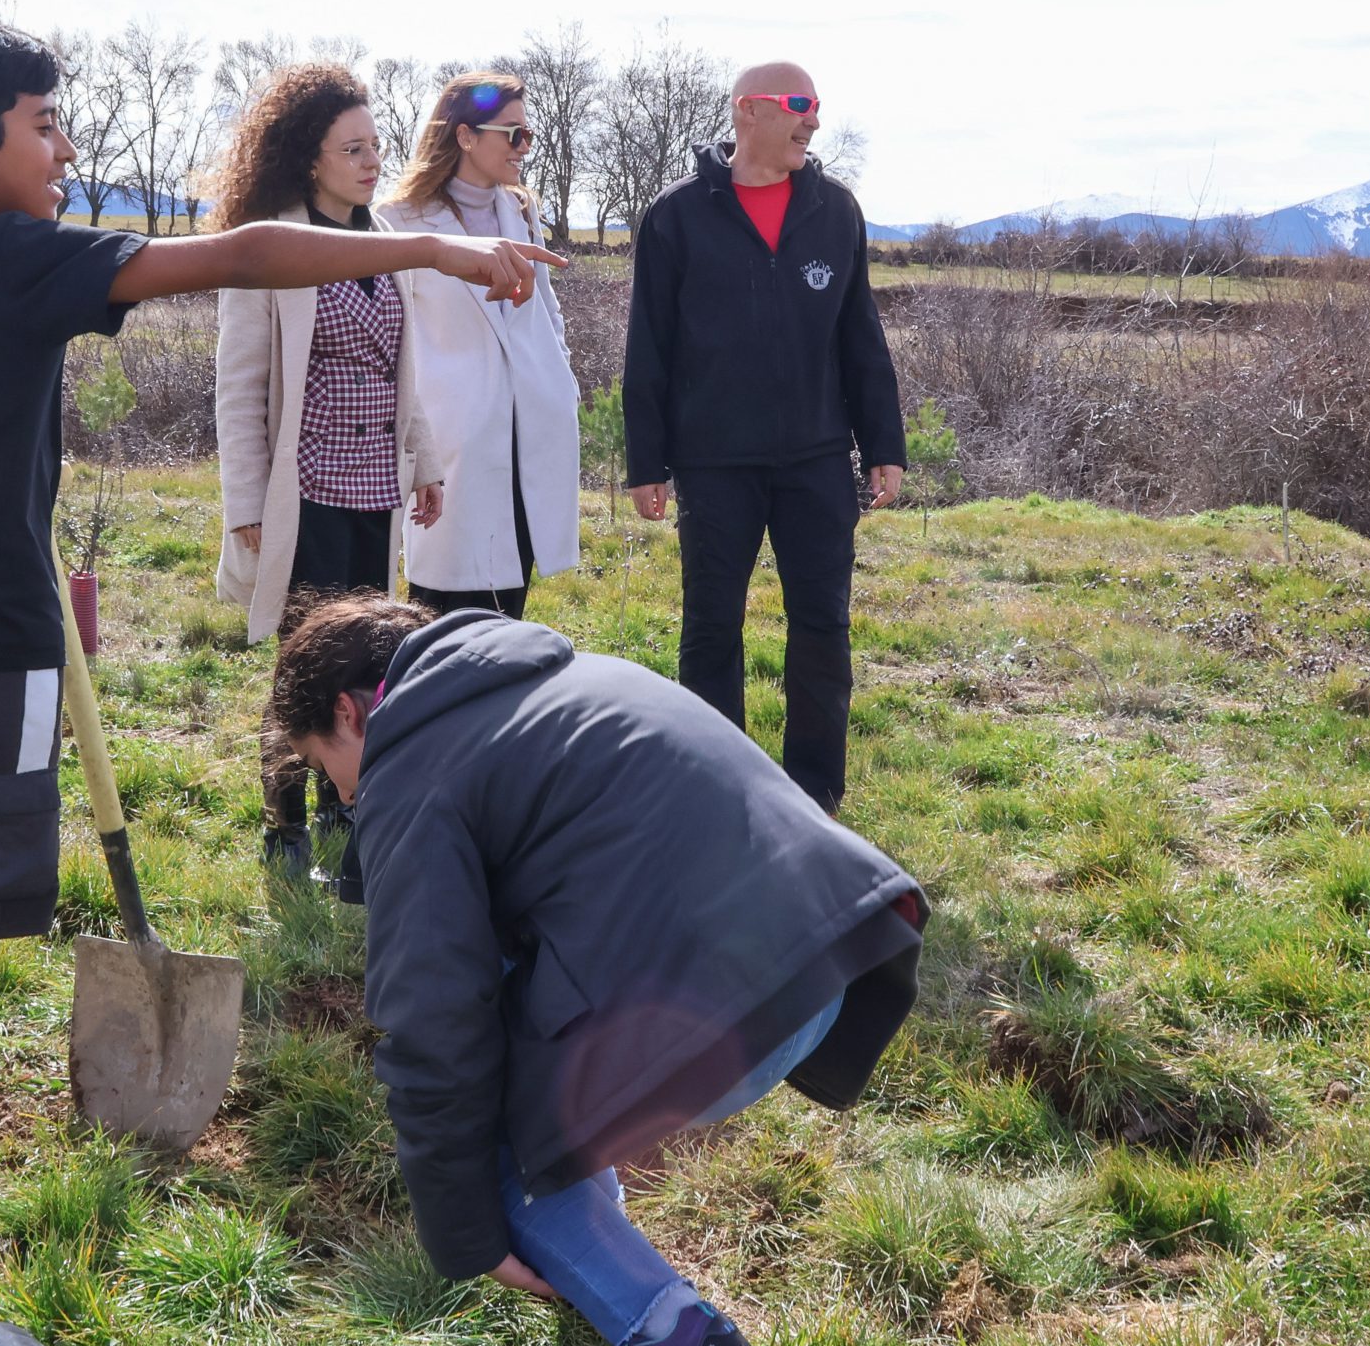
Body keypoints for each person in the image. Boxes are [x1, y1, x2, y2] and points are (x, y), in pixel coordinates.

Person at [0, 20, 558, 1301]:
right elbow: (242, 252)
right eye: (43, 124)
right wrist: (431, 245)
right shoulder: (12, 256)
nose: (65, 146)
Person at [272, 595, 928, 1346]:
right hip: (827, 954)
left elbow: (433, 1026)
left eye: (326, 766)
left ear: (348, 708)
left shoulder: (411, 766)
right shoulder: (555, 678)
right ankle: (593, 1240)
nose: (341, 793)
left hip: (737, 1006)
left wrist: (469, 1229)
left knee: (487, 1147)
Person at [621, 62, 905, 815]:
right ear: (748, 112)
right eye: (799, 105)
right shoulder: (676, 217)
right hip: (714, 463)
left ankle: (815, 798)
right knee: (711, 629)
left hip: (815, 458)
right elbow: (648, 347)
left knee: (822, 626)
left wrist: (884, 442)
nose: (813, 120)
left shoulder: (835, 210)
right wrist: (646, 460)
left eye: (816, 106)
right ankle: (717, 796)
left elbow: (860, 334)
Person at [212, 62, 444, 875]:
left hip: (375, 489)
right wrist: (245, 499)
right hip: (301, 492)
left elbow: (402, 369)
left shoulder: (387, 243)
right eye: (353, 148)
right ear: (310, 159)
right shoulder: (273, 241)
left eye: (376, 145)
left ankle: (346, 817)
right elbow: (239, 387)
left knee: (369, 666)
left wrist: (425, 463)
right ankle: (284, 826)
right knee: (302, 664)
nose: (372, 159)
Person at [376, 71, 581, 619]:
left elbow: (546, 311)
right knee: (442, 606)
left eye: (528, 134)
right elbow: (393, 333)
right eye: (512, 134)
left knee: (511, 597)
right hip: (455, 438)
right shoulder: (398, 222)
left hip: (531, 432)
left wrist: (563, 382)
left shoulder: (522, 210)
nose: (524, 147)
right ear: (466, 136)